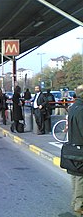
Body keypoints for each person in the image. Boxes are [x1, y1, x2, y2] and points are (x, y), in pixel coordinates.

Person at [66, 85, 83, 214]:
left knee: (74, 175)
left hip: (72, 145)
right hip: (80, 146)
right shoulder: (81, 109)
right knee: (81, 177)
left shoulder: (72, 107)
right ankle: (79, 204)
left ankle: (74, 201)